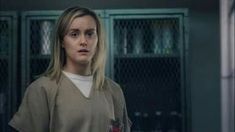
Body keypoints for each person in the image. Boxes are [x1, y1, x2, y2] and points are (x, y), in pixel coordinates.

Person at [9, 6, 131, 132]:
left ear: (98, 39)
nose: (83, 41)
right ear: (62, 41)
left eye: (90, 34)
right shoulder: (42, 90)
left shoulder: (113, 90)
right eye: (74, 34)